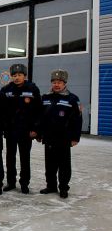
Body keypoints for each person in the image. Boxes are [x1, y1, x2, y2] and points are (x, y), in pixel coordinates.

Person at [38, 69, 82, 199]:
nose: (56, 85)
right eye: (54, 82)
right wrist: (39, 133)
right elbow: (40, 117)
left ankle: (63, 187)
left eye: (59, 82)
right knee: (49, 164)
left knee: (64, 165)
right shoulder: (45, 97)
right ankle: (51, 185)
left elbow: (77, 120)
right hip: (49, 137)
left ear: (64, 83)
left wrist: (75, 137)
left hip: (64, 138)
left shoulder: (72, 99)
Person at [1, 64, 41, 194]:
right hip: (10, 130)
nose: (17, 78)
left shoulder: (32, 89)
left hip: (26, 131)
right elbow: (1, 111)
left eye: (19, 75)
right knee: (10, 158)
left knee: (25, 158)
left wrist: (35, 129)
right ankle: (11, 182)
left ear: (24, 75)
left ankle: (24, 183)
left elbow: (38, 111)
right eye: (14, 75)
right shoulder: (6, 90)